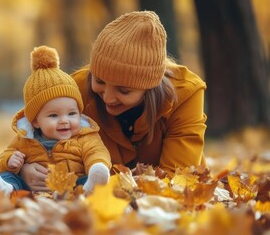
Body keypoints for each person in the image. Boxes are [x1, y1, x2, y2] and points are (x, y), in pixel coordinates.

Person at [20, 11, 207, 191]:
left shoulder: (185, 93)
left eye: (124, 90)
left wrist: (119, 183)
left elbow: (179, 178)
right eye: (99, 81)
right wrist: (24, 169)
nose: (108, 98)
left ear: (149, 86)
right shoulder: (73, 89)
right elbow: (28, 133)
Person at [0, 45, 112, 197]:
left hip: (72, 185)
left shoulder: (85, 136)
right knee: (9, 177)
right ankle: (4, 190)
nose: (64, 121)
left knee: (86, 178)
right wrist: (9, 161)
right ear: (35, 121)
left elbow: (96, 152)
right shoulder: (26, 139)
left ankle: (90, 189)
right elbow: (6, 154)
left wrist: (96, 165)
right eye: (53, 116)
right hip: (30, 189)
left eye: (71, 113)